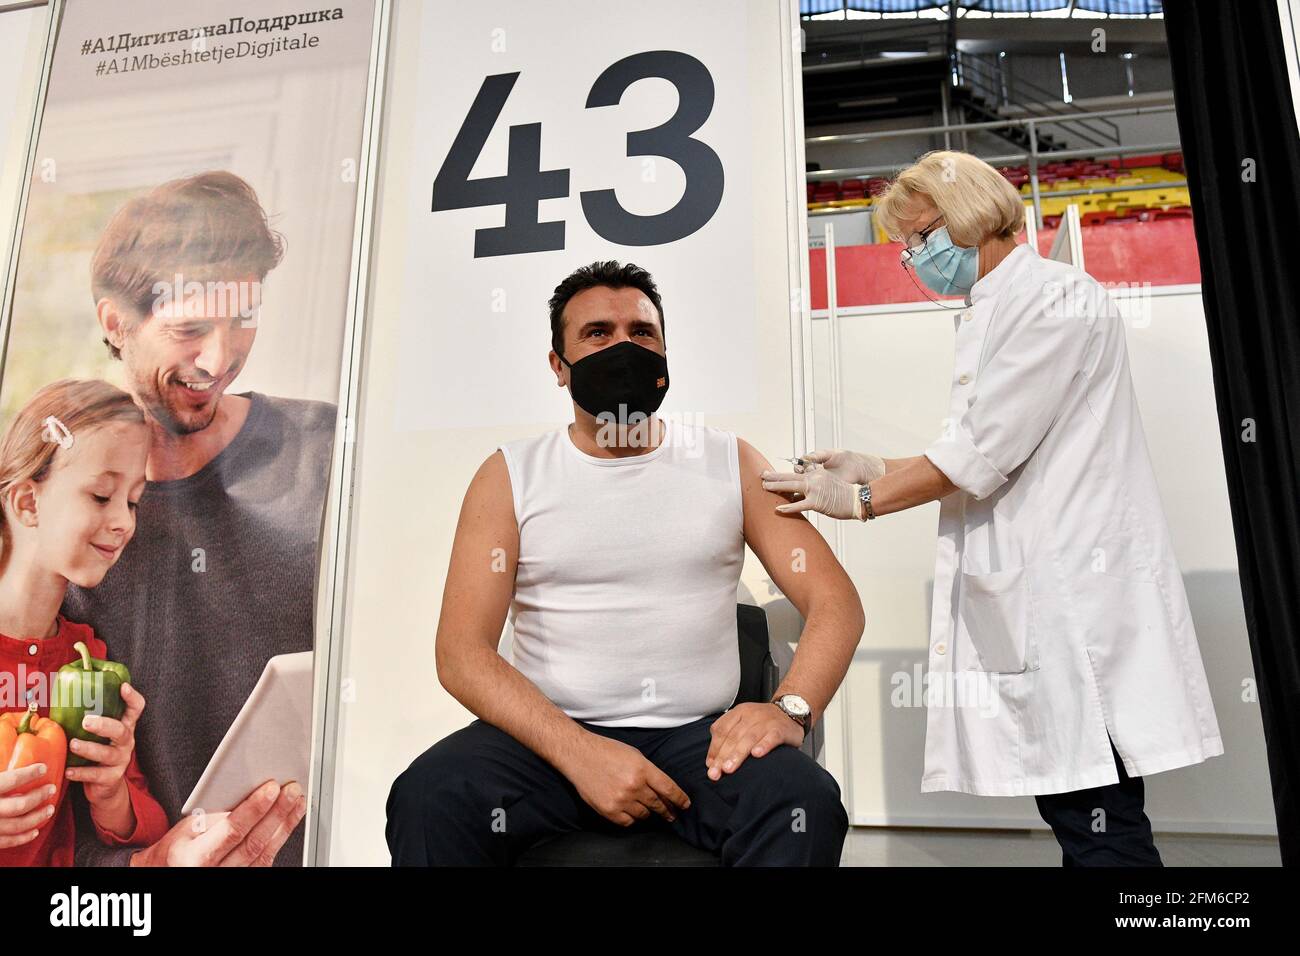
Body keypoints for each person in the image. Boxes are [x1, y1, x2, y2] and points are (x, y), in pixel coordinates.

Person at [761, 150, 1222, 866]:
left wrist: (856, 500)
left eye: (922, 237)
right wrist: (873, 466)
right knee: (1082, 808)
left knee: (1098, 817)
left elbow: (979, 457)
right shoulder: (1000, 306)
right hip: (1053, 600)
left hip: (1076, 602)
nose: (916, 256)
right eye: (908, 244)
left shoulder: (1050, 299)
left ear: (970, 213)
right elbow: (980, 446)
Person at [386, 261, 863, 866]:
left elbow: (835, 602)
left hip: (699, 744)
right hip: (548, 740)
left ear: (665, 355)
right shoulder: (509, 476)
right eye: (597, 334)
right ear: (558, 367)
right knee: (430, 796)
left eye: (641, 333)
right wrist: (579, 752)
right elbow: (461, 654)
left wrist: (789, 710)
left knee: (803, 802)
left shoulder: (729, 462)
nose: (622, 347)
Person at [61, 171, 337, 866]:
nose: (219, 359)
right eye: (189, 329)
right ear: (115, 324)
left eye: (242, 318)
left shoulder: (327, 453)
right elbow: (50, 825)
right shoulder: (63, 521)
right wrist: (141, 872)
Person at [0, 379, 168, 866]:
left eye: (132, 501)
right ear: (28, 503)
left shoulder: (88, 659)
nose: (124, 522)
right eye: (101, 496)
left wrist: (110, 789)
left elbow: (144, 829)